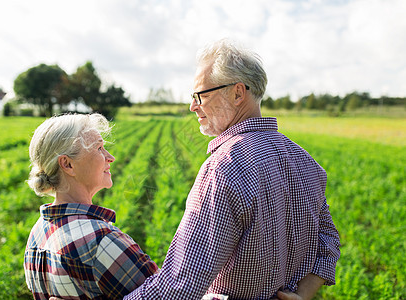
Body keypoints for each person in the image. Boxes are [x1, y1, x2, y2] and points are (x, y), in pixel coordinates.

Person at [122, 39, 341, 299]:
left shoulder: (224, 167)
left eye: (201, 95)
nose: (193, 106)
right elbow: (329, 240)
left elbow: (180, 284)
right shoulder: (305, 160)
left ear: (237, 93)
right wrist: (303, 294)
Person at [24, 113, 158, 299]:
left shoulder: (37, 233)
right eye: (99, 148)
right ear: (68, 164)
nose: (110, 157)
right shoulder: (102, 241)